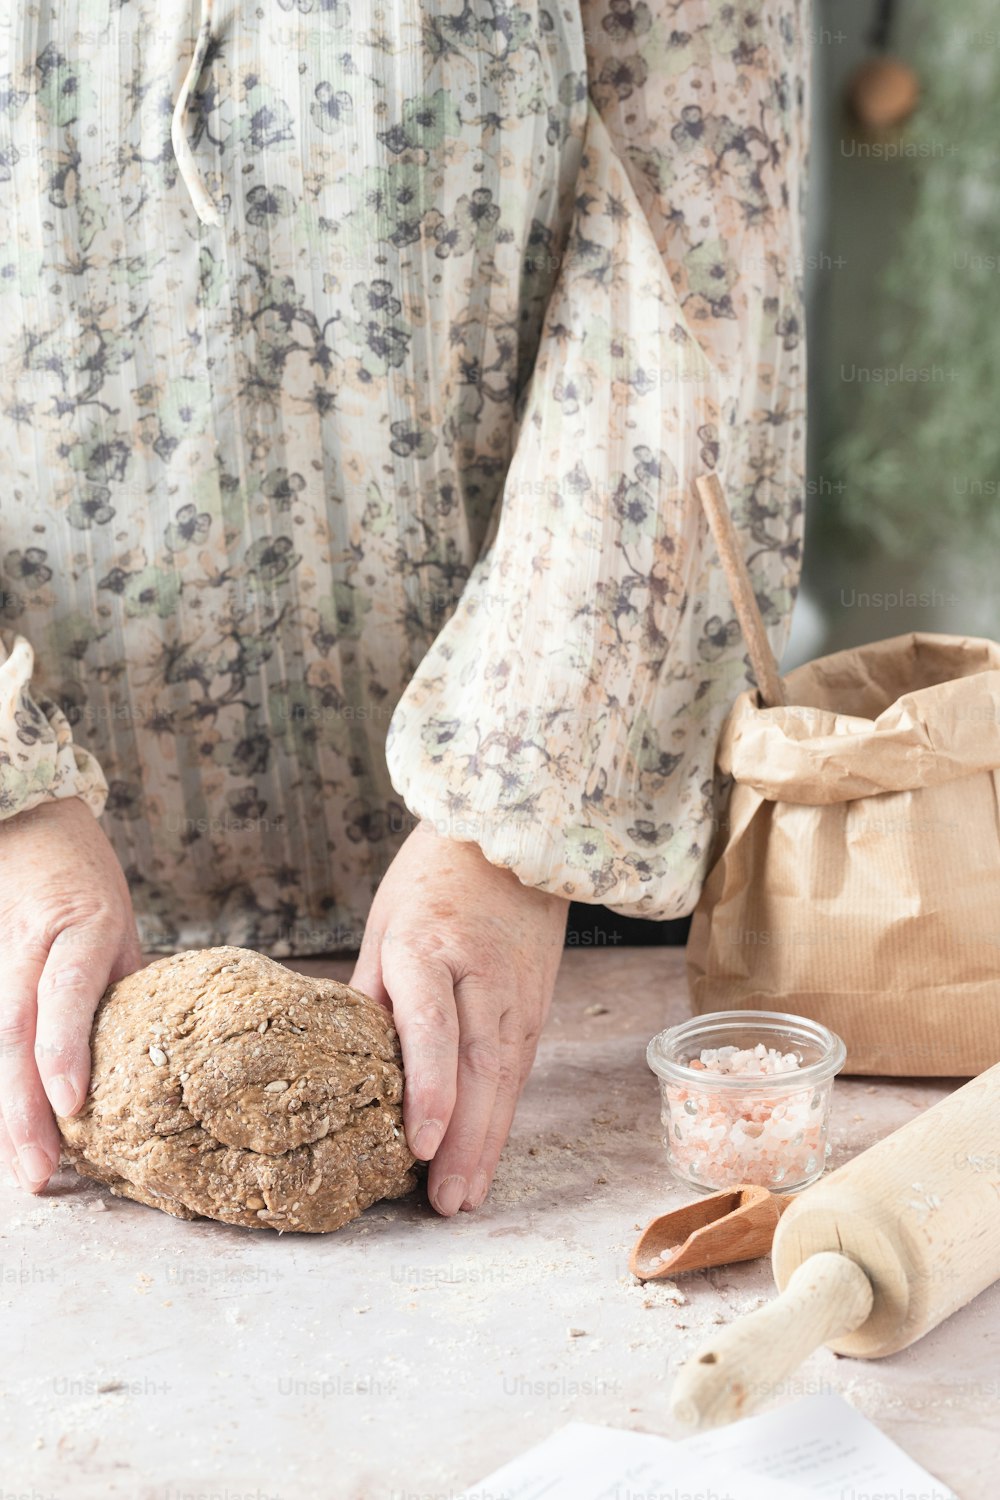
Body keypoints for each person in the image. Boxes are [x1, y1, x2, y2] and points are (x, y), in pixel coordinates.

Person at [0, 0, 809, 1215]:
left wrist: (514, 819)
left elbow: (695, 282)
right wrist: (11, 797)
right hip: (34, 932)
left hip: (547, 916)